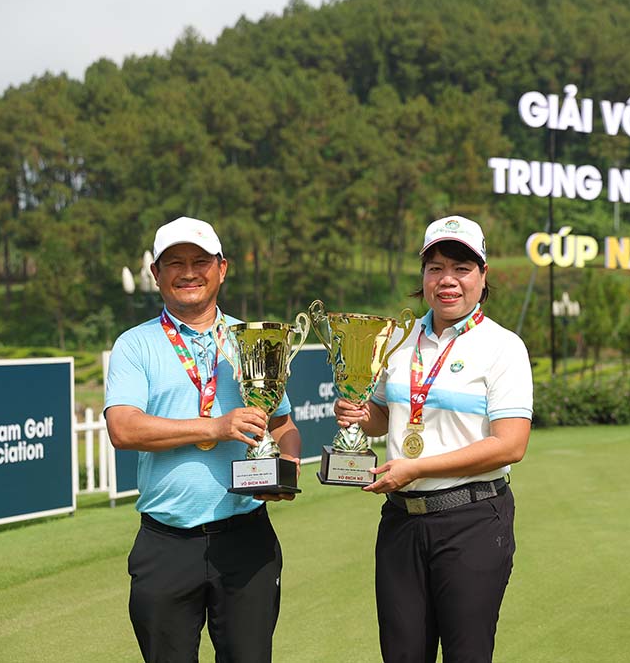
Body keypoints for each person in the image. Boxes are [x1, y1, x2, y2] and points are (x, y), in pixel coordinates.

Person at [334, 215, 533, 663]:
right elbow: (382, 420)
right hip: (401, 522)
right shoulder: (398, 340)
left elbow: (510, 445)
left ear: (484, 276)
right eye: (435, 267)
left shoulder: (503, 347)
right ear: (423, 275)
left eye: (462, 268)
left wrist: (417, 467)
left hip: (473, 519)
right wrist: (356, 412)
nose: (447, 280)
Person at [105, 215, 301, 662]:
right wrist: (215, 426)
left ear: (222, 267)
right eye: (174, 262)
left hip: (245, 539)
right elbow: (123, 427)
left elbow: (283, 426)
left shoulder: (255, 339)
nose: (188, 272)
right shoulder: (136, 345)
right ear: (156, 273)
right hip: (167, 542)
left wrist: (283, 470)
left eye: (200, 260)